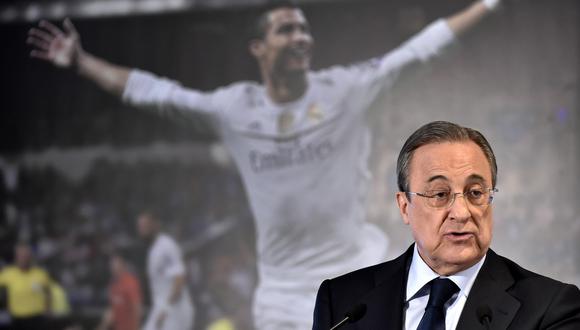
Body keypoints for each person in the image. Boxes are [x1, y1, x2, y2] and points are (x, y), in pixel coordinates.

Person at [27, 0, 504, 328]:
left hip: (360, 271)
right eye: (286, 29)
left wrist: (488, 5)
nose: (301, 37)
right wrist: (81, 61)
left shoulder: (345, 90)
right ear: (259, 48)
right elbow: (154, 93)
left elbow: (417, 52)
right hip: (282, 294)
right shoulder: (234, 110)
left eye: (304, 29)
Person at [313, 121, 580, 329]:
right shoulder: (343, 302)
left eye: (475, 193)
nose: (462, 213)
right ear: (405, 207)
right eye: (440, 194)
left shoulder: (550, 308)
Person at [137, 212, 193, 330]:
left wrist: (165, 309)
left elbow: (179, 280)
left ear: (155, 225)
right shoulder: (153, 250)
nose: (141, 230)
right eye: (140, 226)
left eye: (145, 226)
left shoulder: (166, 246)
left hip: (175, 311)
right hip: (161, 309)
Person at [0, 243, 52, 330]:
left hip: (37, 316)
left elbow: (48, 292)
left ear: (30, 257)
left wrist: (48, 309)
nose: (23, 258)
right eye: (20, 255)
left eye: (25, 255)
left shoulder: (40, 274)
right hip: (17, 317)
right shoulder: (8, 274)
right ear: (16, 257)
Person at [96, 252, 142, 330]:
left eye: (115, 264)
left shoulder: (130, 282)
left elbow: (137, 307)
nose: (113, 268)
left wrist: (136, 327)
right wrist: (102, 326)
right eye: (111, 265)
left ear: (122, 265)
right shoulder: (112, 286)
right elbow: (112, 310)